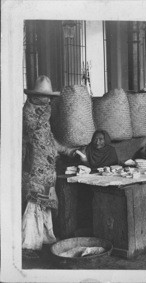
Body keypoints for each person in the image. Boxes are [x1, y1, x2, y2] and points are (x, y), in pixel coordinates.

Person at [21, 75, 76, 257]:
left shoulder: (44, 115)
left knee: (44, 204)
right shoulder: (29, 113)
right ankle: (28, 245)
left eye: (49, 97)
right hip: (35, 169)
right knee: (34, 204)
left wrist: (69, 151)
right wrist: (46, 113)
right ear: (36, 96)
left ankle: (45, 238)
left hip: (47, 170)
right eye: (46, 97)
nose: (49, 100)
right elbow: (33, 133)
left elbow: (51, 140)